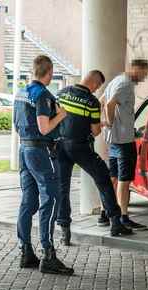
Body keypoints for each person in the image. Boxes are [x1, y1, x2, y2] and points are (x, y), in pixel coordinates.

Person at [56, 70, 133, 246]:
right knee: (104, 178)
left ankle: (65, 232)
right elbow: (96, 131)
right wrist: (103, 123)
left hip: (60, 146)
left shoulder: (62, 93)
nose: (97, 89)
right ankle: (115, 222)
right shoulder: (91, 101)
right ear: (94, 83)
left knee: (62, 189)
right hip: (81, 147)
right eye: (98, 86)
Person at [14, 55, 73, 275]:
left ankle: (26, 250)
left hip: (24, 149)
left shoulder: (21, 93)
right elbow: (45, 128)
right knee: (52, 198)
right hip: (41, 151)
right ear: (48, 73)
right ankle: (48, 254)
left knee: (28, 201)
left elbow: (16, 125)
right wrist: (62, 115)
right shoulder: (43, 95)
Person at [101, 59, 148, 229]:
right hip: (123, 141)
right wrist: (109, 121)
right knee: (124, 180)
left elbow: (101, 100)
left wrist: (109, 125)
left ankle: (104, 213)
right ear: (135, 69)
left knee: (113, 178)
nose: (144, 77)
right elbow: (109, 104)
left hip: (114, 140)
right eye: (144, 73)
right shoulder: (125, 84)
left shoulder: (116, 81)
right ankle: (123, 216)